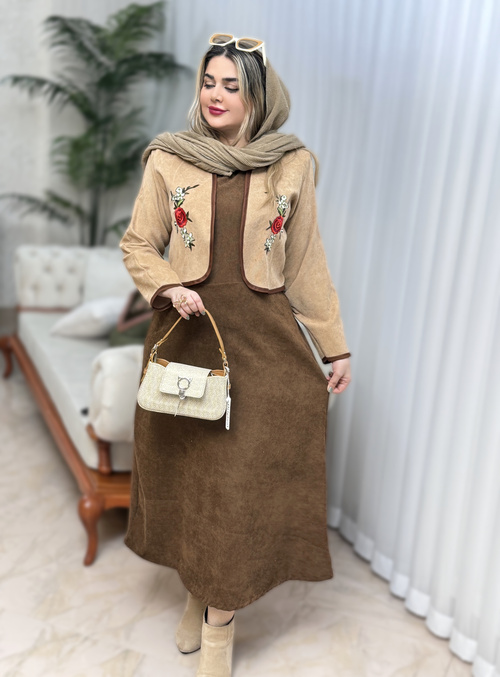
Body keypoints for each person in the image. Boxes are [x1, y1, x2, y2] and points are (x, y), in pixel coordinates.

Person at [119, 33, 352, 677]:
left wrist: (333, 346)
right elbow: (139, 243)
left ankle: (217, 627)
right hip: (189, 340)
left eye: (232, 85)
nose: (215, 95)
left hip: (264, 345)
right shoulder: (169, 159)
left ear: (258, 96)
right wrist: (168, 285)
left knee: (241, 485)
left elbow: (305, 263)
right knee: (197, 482)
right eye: (208, 81)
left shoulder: (292, 164)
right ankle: (200, 595)